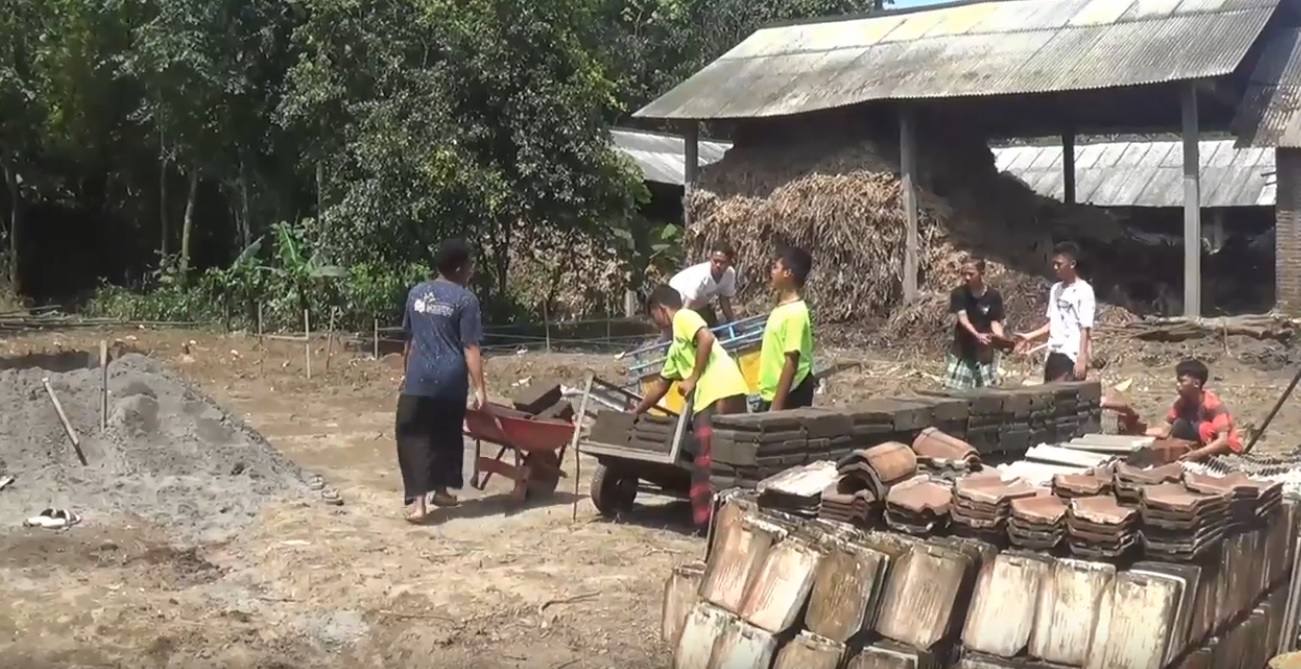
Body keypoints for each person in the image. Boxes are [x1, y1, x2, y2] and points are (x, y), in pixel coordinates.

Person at [632, 285, 748, 527]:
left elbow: (707, 337)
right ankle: (729, 517)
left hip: (715, 392)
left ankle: (706, 522)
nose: (655, 322)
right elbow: (661, 385)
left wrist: (694, 377)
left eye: (653, 315)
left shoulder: (684, 316)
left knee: (707, 462)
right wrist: (636, 411)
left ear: (660, 310)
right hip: (731, 387)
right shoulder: (676, 349)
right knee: (730, 457)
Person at [396, 239, 487, 524]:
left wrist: (405, 373)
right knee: (445, 436)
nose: (471, 271)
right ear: (459, 268)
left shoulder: (416, 293)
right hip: (450, 382)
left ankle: (421, 504)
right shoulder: (465, 300)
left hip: (419, 378)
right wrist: (481, 388)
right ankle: (442, 491)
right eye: (470, 265)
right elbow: (470, 347)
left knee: (414, 437)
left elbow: (409, 341)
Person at [1014, 242, 1095, 382]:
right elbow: (1054, 323)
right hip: (1053, 352)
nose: (1055, 268)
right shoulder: (1056, 289)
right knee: (1050, 397)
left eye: (1059, 264)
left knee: (1066, 399)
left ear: (1072, 264)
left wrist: (1082, 357)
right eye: (1054, 264)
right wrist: (1030, 337)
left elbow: (1085, 328)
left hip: (1071, 354)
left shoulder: (1084, 290)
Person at [1145, 359, 1244, 461]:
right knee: (1179, 424)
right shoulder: (1181, 404)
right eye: (1177, 381)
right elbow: (1164, 432)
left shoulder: (1213, 405)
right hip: (1199, 448)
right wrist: (1139, 431)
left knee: (1204, 428)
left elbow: (1223, 441)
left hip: (1225, 449)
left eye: (1182, 381)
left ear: (1196, 383)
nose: (1178, 385)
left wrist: (1198, 454)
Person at [757, 245, 815, 411]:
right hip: (772, 393)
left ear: (787, 273)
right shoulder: (781, 308)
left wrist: (776, 408)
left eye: (776, 267)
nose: (772, 272)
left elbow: (791, 362)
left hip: (788, 395)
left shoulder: (795, 313)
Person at [943, 257, 1006, 390]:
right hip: (963, 350)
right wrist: (977, 335)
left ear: (981, 272)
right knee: (956, 393)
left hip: (984, 352)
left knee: (986, 394)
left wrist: (1001, 340)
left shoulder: (993, 295)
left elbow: (995, 322)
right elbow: (963, 319)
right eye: (963, 273)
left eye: (971, 274)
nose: (966, 277)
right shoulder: (959, 294)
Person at [668, 241, 738, 326]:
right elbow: (686, 306)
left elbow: (724, 299)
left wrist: (732, 321)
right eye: (715, 261)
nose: (718, 265)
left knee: (713, 329)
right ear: (710, 259)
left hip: (699, 302)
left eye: (722, 262)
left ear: (729, 263)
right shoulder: (701, 276)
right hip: (677, 299)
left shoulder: (729, 274)